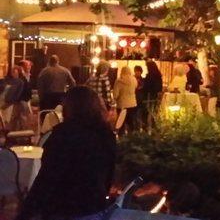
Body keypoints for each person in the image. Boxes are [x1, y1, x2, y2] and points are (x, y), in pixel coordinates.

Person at [16, 86, 116, 220]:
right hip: (94, 205)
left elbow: (47, 179)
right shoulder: (106, 134)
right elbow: (109, 173)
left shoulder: (62, 135)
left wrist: (26, 212)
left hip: (64, 208)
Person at [113, 66, 138, 133]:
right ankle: (132, 138)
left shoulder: (118, 81)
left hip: (122, 105)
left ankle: (122, 139)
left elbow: (115, 94)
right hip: (133, 104)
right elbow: (136, 87)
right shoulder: (134, 79)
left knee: (121, 124)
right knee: (131, 123)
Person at [141, 60, 163, 127]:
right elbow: (160, 87)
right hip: (155, 95)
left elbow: (146, 87)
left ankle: (145, 126)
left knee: (146, 111)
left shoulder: (149, 76)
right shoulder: (158, 76)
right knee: (154, 111)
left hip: (149, 95)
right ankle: (154, 126)